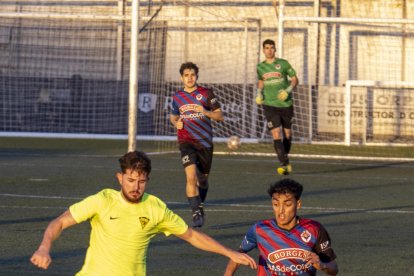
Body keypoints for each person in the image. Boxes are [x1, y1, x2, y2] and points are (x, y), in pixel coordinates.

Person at [30, 151, 256, 275]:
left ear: (147, 180)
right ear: (120, 178)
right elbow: (59, 223)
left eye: (141, 181)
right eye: (130, 180)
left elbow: (191, 236)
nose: (135, 187)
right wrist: (44, 247)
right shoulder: (103, 200)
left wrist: (229, 253)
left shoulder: (156, 208)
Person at [224, 178, 338, 276]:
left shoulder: (314, 229)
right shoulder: (260, 229)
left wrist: (321, 264)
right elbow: (237, 255)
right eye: (276, 204)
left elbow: (334, 269)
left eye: (287, 205)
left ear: (298, 204)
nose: (281, 211)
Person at [170, 62, 224, 227]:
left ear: (197, 76)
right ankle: (196, 214)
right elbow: (173, 117)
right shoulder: (177, 97)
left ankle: (199, 205)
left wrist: (206, 112)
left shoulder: (206, 93)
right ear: (182, 77)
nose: (190, 78)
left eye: (192, 75)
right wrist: (176, 123)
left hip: (205, 143)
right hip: (186, 142)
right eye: (186, 75)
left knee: (203, 181)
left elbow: (219, 115)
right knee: (191, 177)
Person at [255, 39, 299, 175]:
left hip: (286, 104)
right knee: (276, 133)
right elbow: (261, 81)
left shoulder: (283, 64)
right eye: (266, 48)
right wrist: (259, 93)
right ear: (263, 50)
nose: (269, 50)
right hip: (269, 105)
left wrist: (288, 91)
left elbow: (295, 79)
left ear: (275, 49)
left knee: (287, 134)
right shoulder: (260, 67)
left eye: (271, 48)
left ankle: (285, 157)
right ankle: (283, 163)